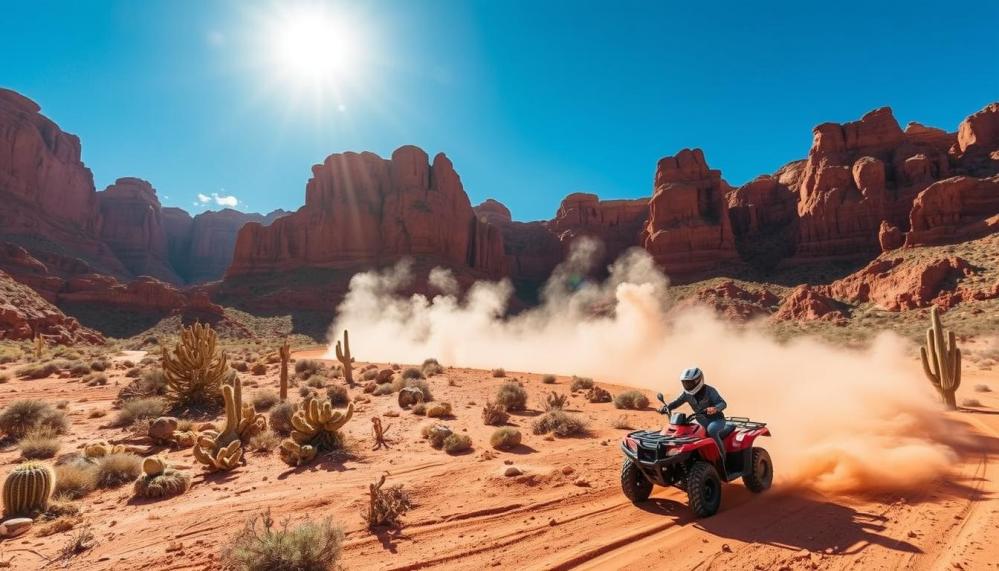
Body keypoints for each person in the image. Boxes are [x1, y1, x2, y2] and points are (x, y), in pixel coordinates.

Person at [659, 367, 728, 460]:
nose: (687, 385)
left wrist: (715, 408)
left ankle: (722, 457)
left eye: (690, 382)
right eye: (685, 382)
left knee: (711, 430)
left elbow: (723, 403)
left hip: (716, 420)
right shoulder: (686, 394)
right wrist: (667, 407)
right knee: (686, 431)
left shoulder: (710, 391)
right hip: (700, 420)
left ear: (698, 380)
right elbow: (676, 402)